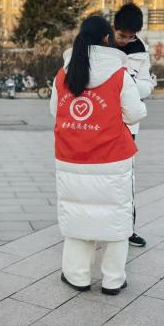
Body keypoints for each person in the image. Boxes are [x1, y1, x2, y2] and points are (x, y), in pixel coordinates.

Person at [50, 16, 146, 296]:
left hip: (71, 156)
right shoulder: (119, 73)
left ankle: (77, 275)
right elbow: (134, 113)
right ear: (106, 39)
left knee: (77, 215)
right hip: (112, 156)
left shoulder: (63, 74)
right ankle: (113, 280)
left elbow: (55, 111)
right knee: (116, 217)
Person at [113, 3, 156, 248]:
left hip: (128, 124)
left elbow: (146, 86)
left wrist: (126, 83)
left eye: (131, 36)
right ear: (114, 27)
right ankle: (96, 228)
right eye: (122, 35)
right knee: (98, 176)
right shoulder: (101, 45)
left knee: (125, 177)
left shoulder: (141, 50)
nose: (126, 40)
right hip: (101, 121)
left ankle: (128, 229)